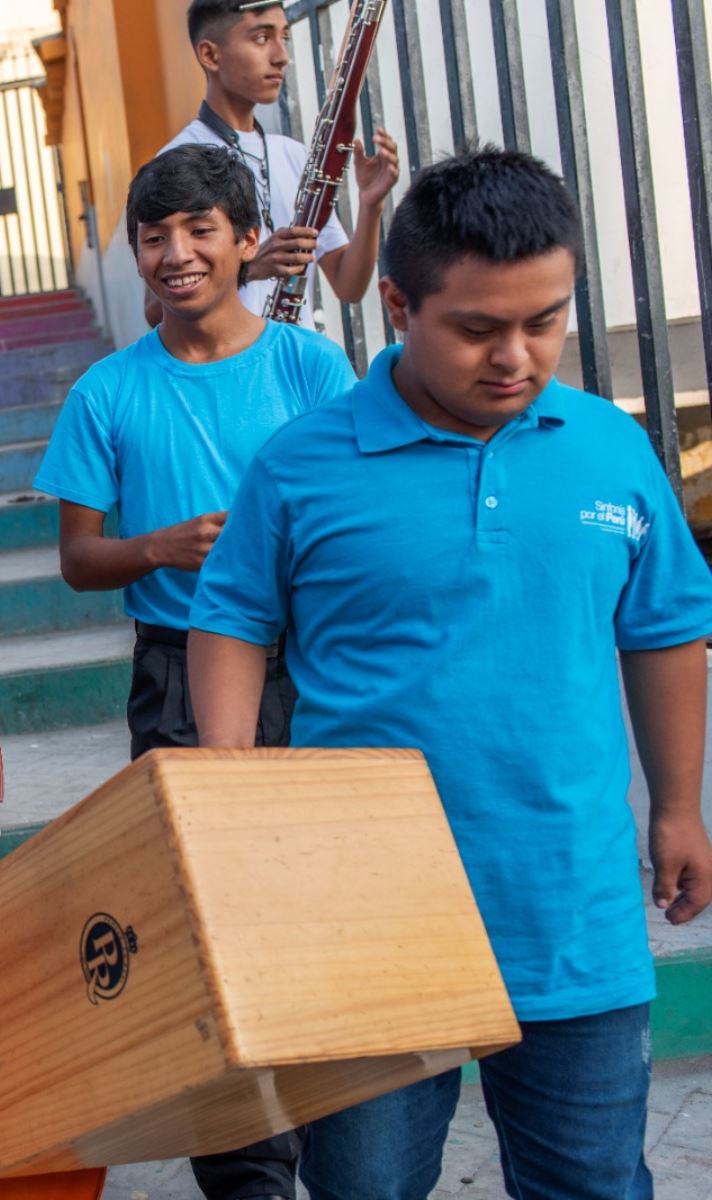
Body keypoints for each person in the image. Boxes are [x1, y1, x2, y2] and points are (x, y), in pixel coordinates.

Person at [188, 148, 712, 1199]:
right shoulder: (303, 462)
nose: (516, 357)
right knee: (367, 1186)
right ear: (395, 303)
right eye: (477, 328)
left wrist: (678, 808)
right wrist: (229, 791)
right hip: (364, 915)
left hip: (569, 903)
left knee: (596, 1182)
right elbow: (235, 615)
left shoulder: (611, 447)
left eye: (545, 321)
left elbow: (663, 630)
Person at [34, 143, 355, 1200]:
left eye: (200, 231)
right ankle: (245, 1166)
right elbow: (81, 559)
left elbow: (352, 518)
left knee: (315, 901)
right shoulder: (106, 392)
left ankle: (335, 1126)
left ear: (247, 243)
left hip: (303, 666)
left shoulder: (308, 366)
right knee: (206, 923)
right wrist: (159, 549)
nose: (175, 255)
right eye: (154, 237)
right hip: (174, 673)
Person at [138, 0, 399, 330]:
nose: (281, 56)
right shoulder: (174, 162)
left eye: (284, 38)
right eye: (262, 39)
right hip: (225, 371)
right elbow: (152, 311)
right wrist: (248, 267)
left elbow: (348, 286)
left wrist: (370, 204)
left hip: (292, 364)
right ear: (210, 55)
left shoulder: (294, 155)